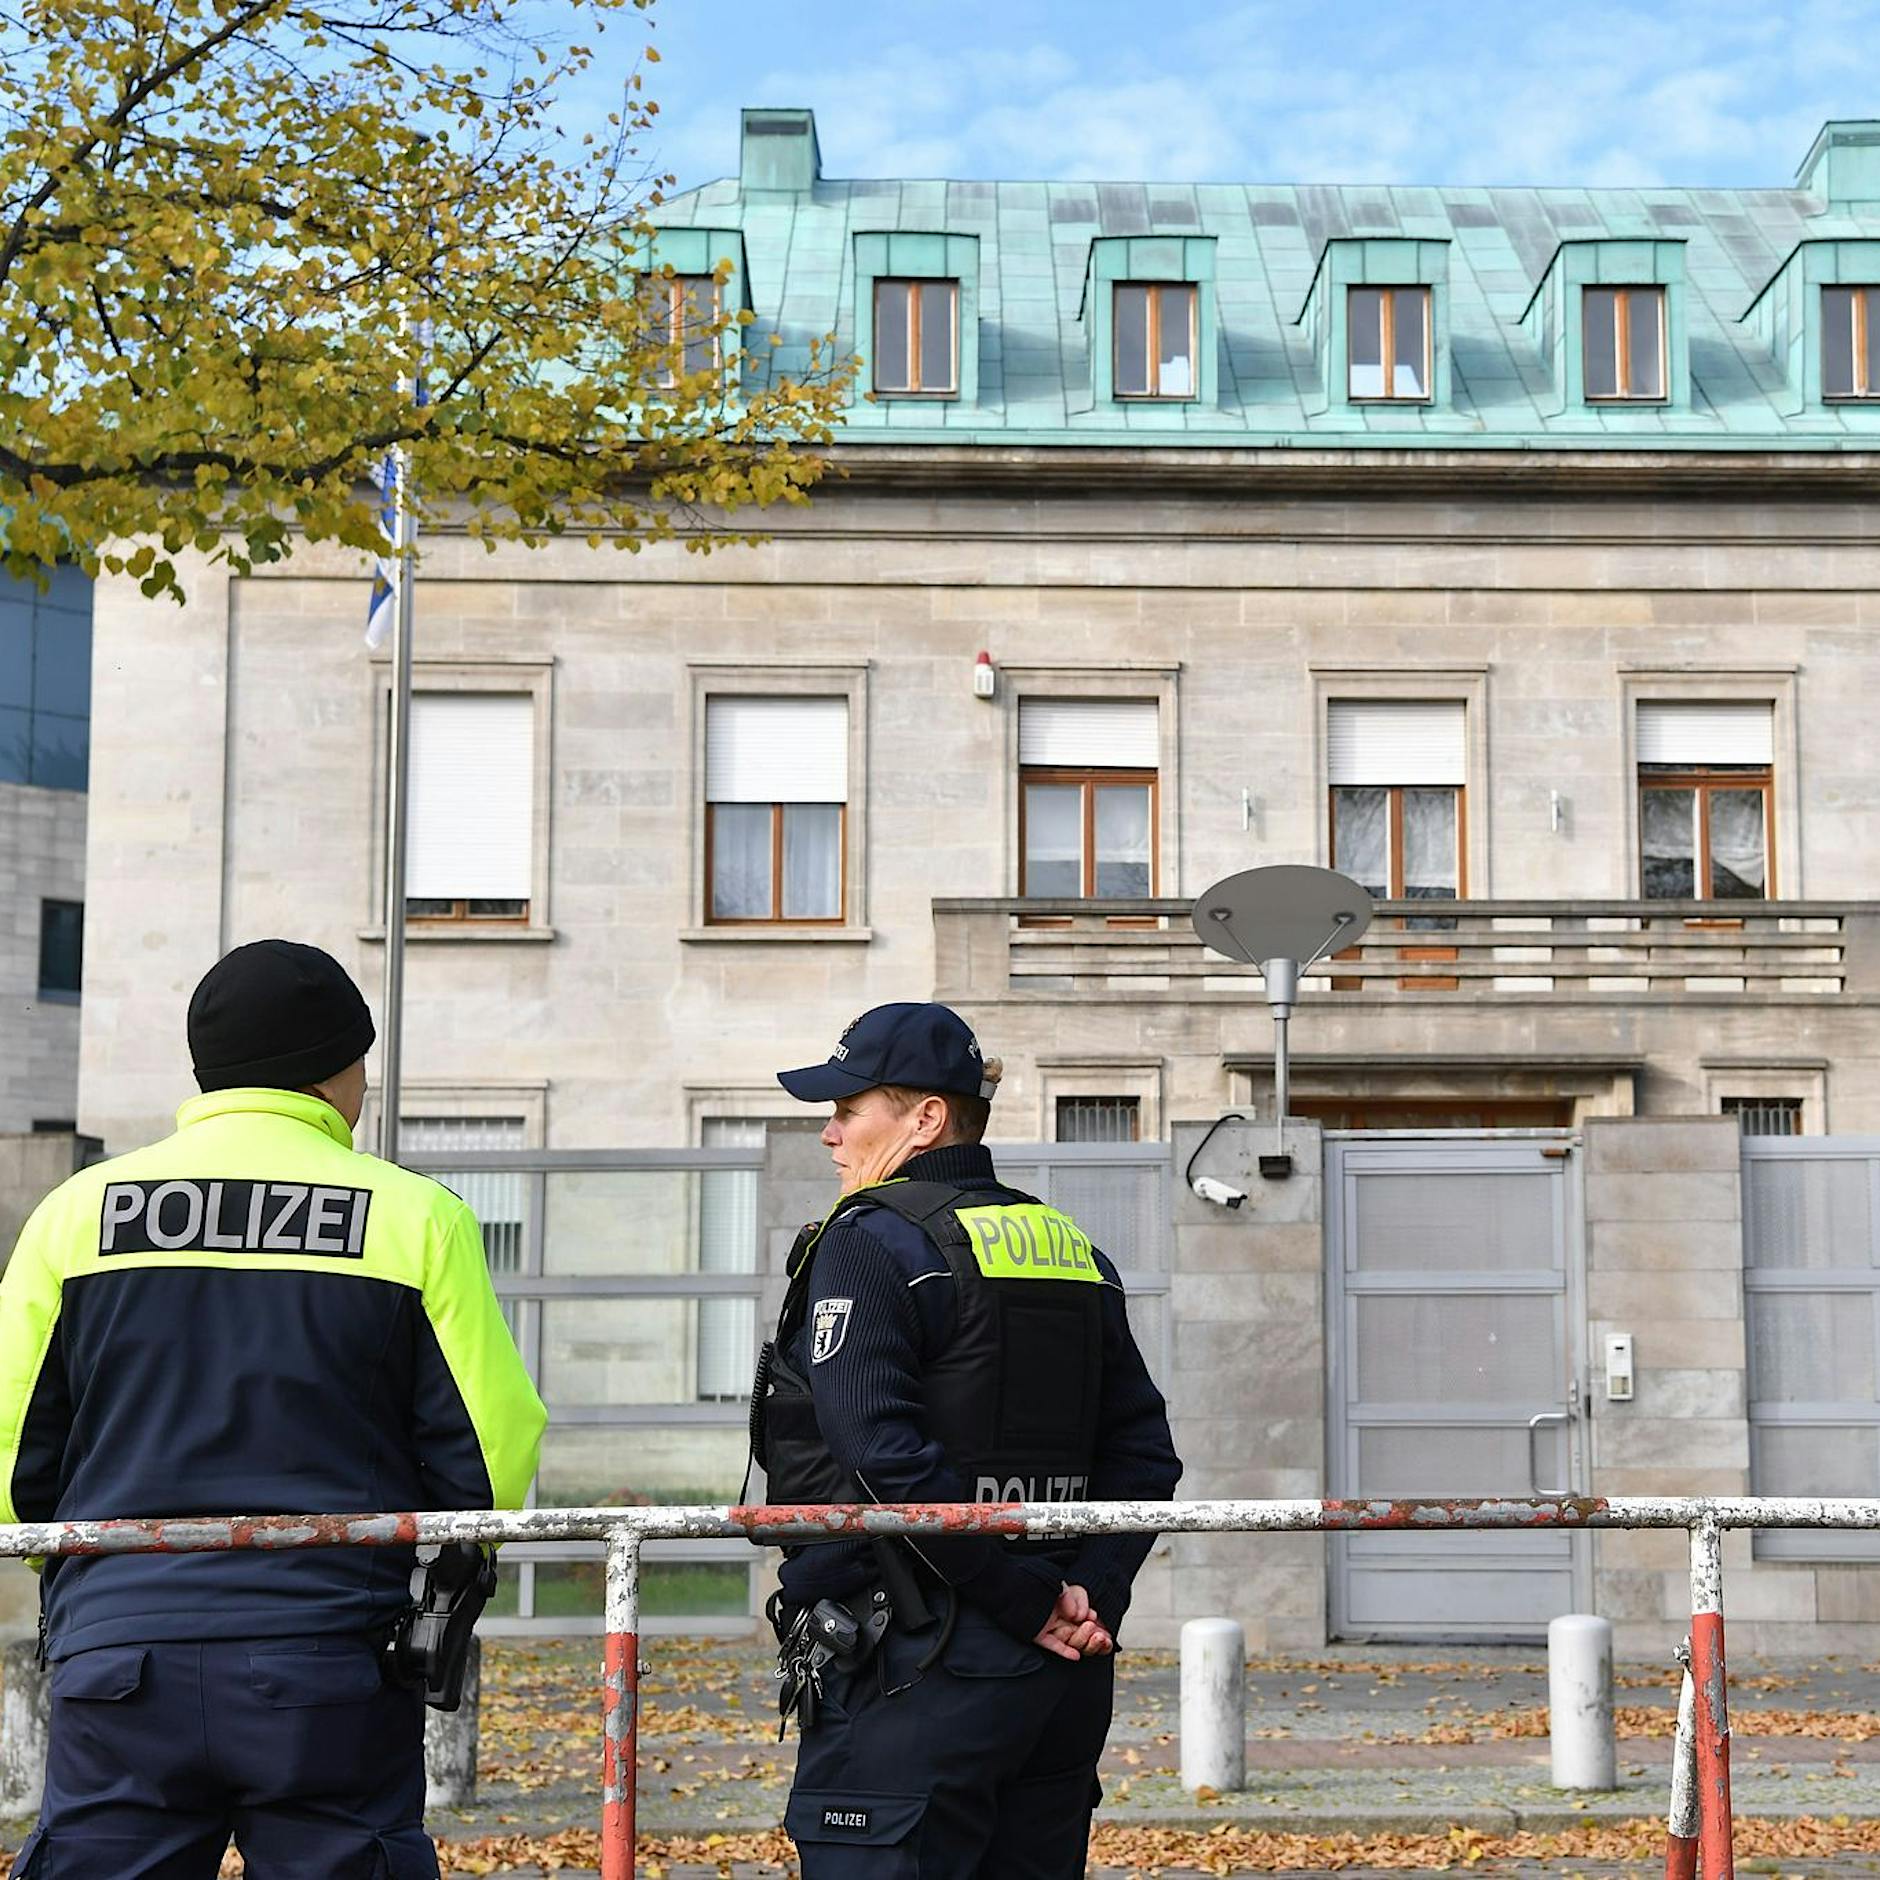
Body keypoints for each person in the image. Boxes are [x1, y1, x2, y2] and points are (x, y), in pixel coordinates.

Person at [0, 939, 546, 1878]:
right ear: (337, 1073)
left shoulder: (75, 1214)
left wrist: (100, 1587)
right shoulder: (414, 1217)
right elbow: (487, 1468)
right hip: (327, 1660)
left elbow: (14, 1463)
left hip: (121, 1657)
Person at [750, 1001, 1181, 1878]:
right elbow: (1143, 1455)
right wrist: (1088, 1597)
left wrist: (1026, 1602)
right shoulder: (1069, 1244)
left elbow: (879, 1454)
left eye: (847, 1110)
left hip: (916, 1662)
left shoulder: (870, 1239)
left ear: (926, 1118)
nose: (830, 1134)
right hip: (1058, 1677)